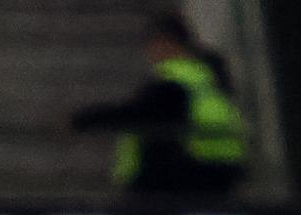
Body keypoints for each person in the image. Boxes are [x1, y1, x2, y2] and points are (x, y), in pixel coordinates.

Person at [70, 11, 245, 197]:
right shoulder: (207, 76)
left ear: (165, 43)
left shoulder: (173, 80)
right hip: (224, 168)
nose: (151, 53)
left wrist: (82, 120)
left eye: (153, 45)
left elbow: (134, 114)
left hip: (187, 175)